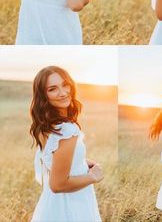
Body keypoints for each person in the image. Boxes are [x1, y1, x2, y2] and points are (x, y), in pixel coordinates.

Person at [30, 66, 103, 222]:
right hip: (70, 205)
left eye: (65, 85)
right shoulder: (66, 130)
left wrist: (82, 162)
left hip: (54, 204)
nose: (63, 92)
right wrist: (93, 177)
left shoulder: (46, 126)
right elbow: (58, 185)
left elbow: (54, 159)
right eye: (52, 89)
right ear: (43, 96)